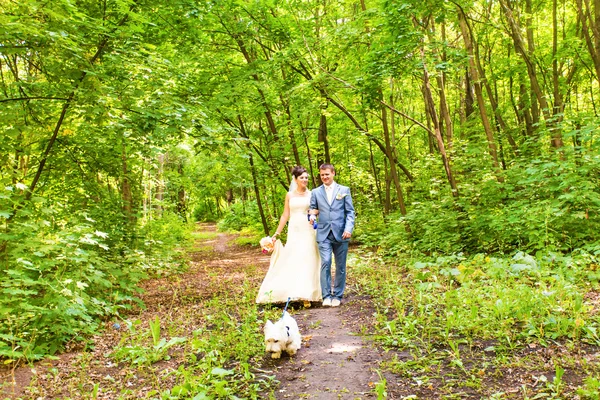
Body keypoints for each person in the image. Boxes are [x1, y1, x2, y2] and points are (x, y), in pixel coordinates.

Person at [256, 166, 322, 304]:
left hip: (308, 228)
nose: (305, 180)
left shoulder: (312, 194)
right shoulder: (289, 195)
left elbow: (317, 210)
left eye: (306, 177)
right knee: (294, 258)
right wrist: (277, 233)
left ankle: (307, 293)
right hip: (294, 229)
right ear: (295, 179)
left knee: (309, 257)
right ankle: (292, 291)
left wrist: (314, 215)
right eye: (302, 178)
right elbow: (285, 214)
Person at [309, 163, 355, 307]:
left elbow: (350, 212)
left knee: (341, 266)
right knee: (326, 262)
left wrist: (348, 229)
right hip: (323, 233)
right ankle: (327, 295)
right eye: (322, 175)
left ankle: (338, 295)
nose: (324, 177)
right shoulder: (315, 192)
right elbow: (312, 209)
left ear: (333, 173)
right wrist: (311, 216)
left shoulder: (344, 190)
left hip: (341, 233)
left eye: (327, 174)